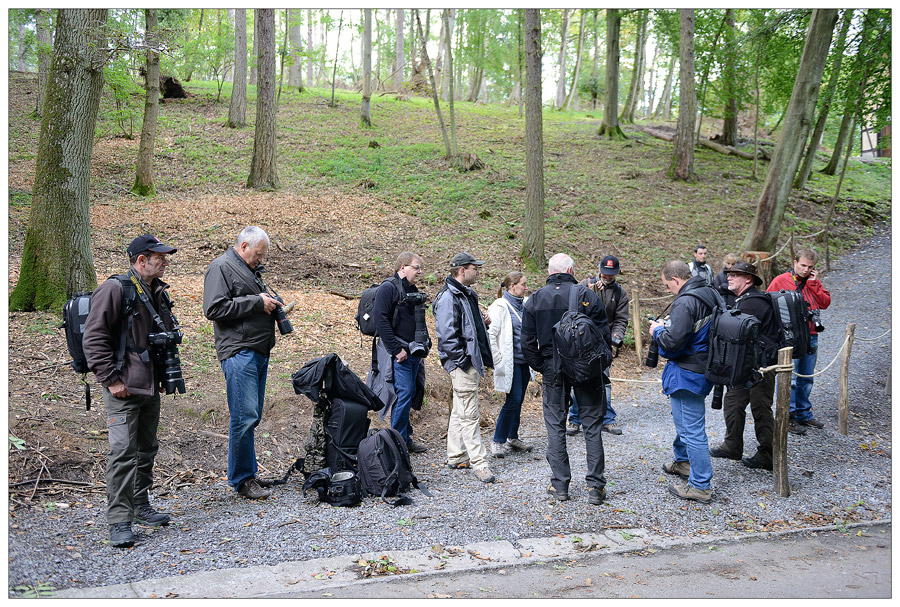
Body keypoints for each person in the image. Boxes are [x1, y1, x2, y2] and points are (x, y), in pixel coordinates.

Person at [83, 234, 179, 548]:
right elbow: (93, 338)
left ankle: (140, 506)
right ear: (141, 260)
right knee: (123, 454)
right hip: (122, 388)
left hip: (148, 385)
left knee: (146, 449)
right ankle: (119, 521)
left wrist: (163, 377)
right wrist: (111, 379)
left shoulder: (157, 291)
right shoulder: (115, 289)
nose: (165, 262)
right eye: (159, 257)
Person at [521, 253, 612, 505]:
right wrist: (599, 366)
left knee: (555, 426)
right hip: (586, 369)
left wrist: (543, 366)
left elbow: (527, 343)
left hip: (552, 369)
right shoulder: (586, 295)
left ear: (549, 271)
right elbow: (603, 337)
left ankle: (560, 485)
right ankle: (596, 487)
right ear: (571, 270)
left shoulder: (535, 299)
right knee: (592, 426)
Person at [203, 226, 284, 500]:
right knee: (244, 416)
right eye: (258, 255)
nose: (260, 260)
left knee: (252, 415)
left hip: (257, 351)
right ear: (244, 246)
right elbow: (213, 309)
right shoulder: (221, 267)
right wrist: (256, 303)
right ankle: (242, 479)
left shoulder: (248, 270)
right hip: (239, 352)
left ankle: (248, 473)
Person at [649, 260, 716, 504]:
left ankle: (700, 485)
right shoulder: (709, 292)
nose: (667, 290)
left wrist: (657, 330)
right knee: (686, 424)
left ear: (676, 280)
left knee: (692, 430)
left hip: (687, 373)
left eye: (667, 285)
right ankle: (684, 463)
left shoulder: (685, 301)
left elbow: (672, 344)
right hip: (704, 367)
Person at [709, 261, 781, 470]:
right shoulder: (744, 300)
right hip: (746, 367)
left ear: (748, 279)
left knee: (760, 408)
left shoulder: (753, 303)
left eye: (735, 275)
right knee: (732, 401)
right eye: (729, 274)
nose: (729, 277)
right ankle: (732, 445)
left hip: (762, 368)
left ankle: (768, 454)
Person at [433, 252, 496, 483]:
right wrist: (463, 362)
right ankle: (479, 464)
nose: (477, 271)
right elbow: (447, 337)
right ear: (461, 270)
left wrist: (483, 323)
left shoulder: (466, 295)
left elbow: (467, 329)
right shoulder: (449, 298)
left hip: (467, 362)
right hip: (463, 364)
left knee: (461, 410)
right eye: (474, 268)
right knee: (470, 414)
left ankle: (456, 455)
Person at [368, 252, 429, 453]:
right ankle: (397, 442)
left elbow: (418, 321)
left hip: (413, 352)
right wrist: (396, 350)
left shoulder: (411, 289)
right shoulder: (388, 288)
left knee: (409, 392)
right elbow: (381, 320)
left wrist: (421, 349)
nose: (419, 272)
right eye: (416, 267)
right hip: (399, 353)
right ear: (402, 267)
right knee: (404, 393)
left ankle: (405, 437)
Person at [767, 249, 832, 431]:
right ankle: (786, 416)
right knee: (791, 378)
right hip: (790, 337)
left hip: (811, 334)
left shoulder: (813, 282)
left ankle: (804, 413)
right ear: (795, 262)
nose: (805, 269)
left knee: (807, 377)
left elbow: (825, 302)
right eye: (803, 265)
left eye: (809, 267)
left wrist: (812, 284)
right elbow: (768, 303)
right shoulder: (781, 280)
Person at [567, 255, 630, 436]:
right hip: (581, 340)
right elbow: (574, 307)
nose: (607, 277)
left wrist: (615, 336)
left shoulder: (620, 293)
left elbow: (620, 319)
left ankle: (607, 419)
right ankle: (575, 419)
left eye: (611, 274)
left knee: (604, 381)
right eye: (605, 273)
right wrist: (592, 292)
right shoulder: (585, 284)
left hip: (603, 343)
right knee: (579, 379)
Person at [487, 272, 533, 458]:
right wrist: (497, 359)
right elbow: (490, 334)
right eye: (523, 284)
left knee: (519, 400)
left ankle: (512, 437)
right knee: (512, 400)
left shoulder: (525, 304)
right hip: (510, 363)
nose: (526, 287)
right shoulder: (499, 307)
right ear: (512, 286)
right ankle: (498, 440)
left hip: (524, 362)